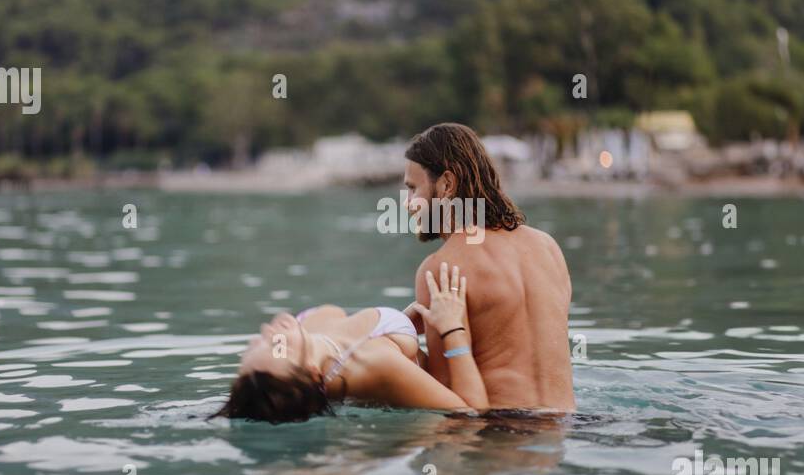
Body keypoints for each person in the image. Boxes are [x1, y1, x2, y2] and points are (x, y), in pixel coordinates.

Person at [403, 123, 575, 411]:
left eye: (412, 189)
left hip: (500, 433)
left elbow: (451, 401)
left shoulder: (441, 269)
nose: (408, 205)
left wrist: (399, 344)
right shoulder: (547, 247)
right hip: (567, 427)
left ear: (446, 184)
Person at [215, 263, 488, 423]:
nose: (267, 331)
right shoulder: (373, 365)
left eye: (256, 343)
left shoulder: (306, 330)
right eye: (277, 348)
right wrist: (453, 328)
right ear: (312, 373)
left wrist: (404, 324)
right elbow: (470, 413)